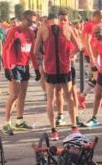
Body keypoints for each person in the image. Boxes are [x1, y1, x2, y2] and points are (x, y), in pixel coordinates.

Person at [34, 10, 81, 141]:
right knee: (69, 97)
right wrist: (71, 55)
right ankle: (74, 127)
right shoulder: (67, 28)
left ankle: (54, 130)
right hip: (65, 67)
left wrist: (44, 56)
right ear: (58, 20)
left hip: (50, 68)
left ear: (48, 20)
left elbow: (35, 51)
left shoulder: (42, 30)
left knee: (50, 99)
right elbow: (79, 47)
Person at [1, 10, 39, 135]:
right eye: (30, 21)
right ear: (23, 19)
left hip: (25, 66)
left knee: (22, 94)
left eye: (34, 22)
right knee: (14, 95)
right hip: (14, 66)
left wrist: (37, 68)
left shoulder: (31, 33)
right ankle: (6, 123)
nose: (31, 24)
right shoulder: (14, 31)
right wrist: (6, 68)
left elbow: (32, 52)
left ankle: (19, 121)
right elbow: (5, 50)